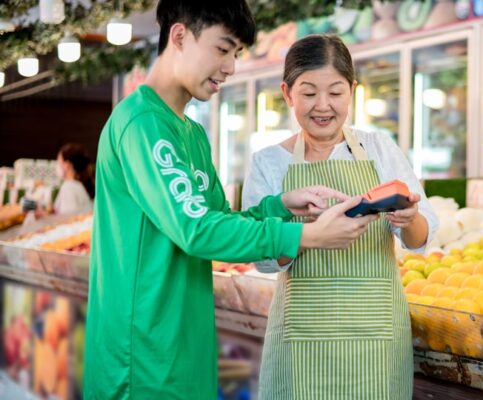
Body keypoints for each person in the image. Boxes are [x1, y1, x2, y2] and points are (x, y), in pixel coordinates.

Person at [83, 3, 376, 399]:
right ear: (180, 36)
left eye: (236, 53)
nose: (231, 67)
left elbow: (218, 220)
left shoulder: (190, 132)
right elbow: (196, 231)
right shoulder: (142, 124)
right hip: (141, 358)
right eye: (223, 49)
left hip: (184, 345)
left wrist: (280, 206)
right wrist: (305, 238)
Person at [242, 34, 438, 399]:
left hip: (376, 346)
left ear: (352, 90)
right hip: (302, 347)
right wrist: (311, 234)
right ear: (287, 94)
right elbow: (263, 259)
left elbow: (420, 238)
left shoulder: (380, 149)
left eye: (335, 92)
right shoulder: (269, 162)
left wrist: (409, 218)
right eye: (308, 92)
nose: (323, 106)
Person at [53, 143, 94, 215]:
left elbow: (67, 220)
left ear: (67, 164)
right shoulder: (78, 185)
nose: (57, 165)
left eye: (59, 161)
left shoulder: (69, 187)